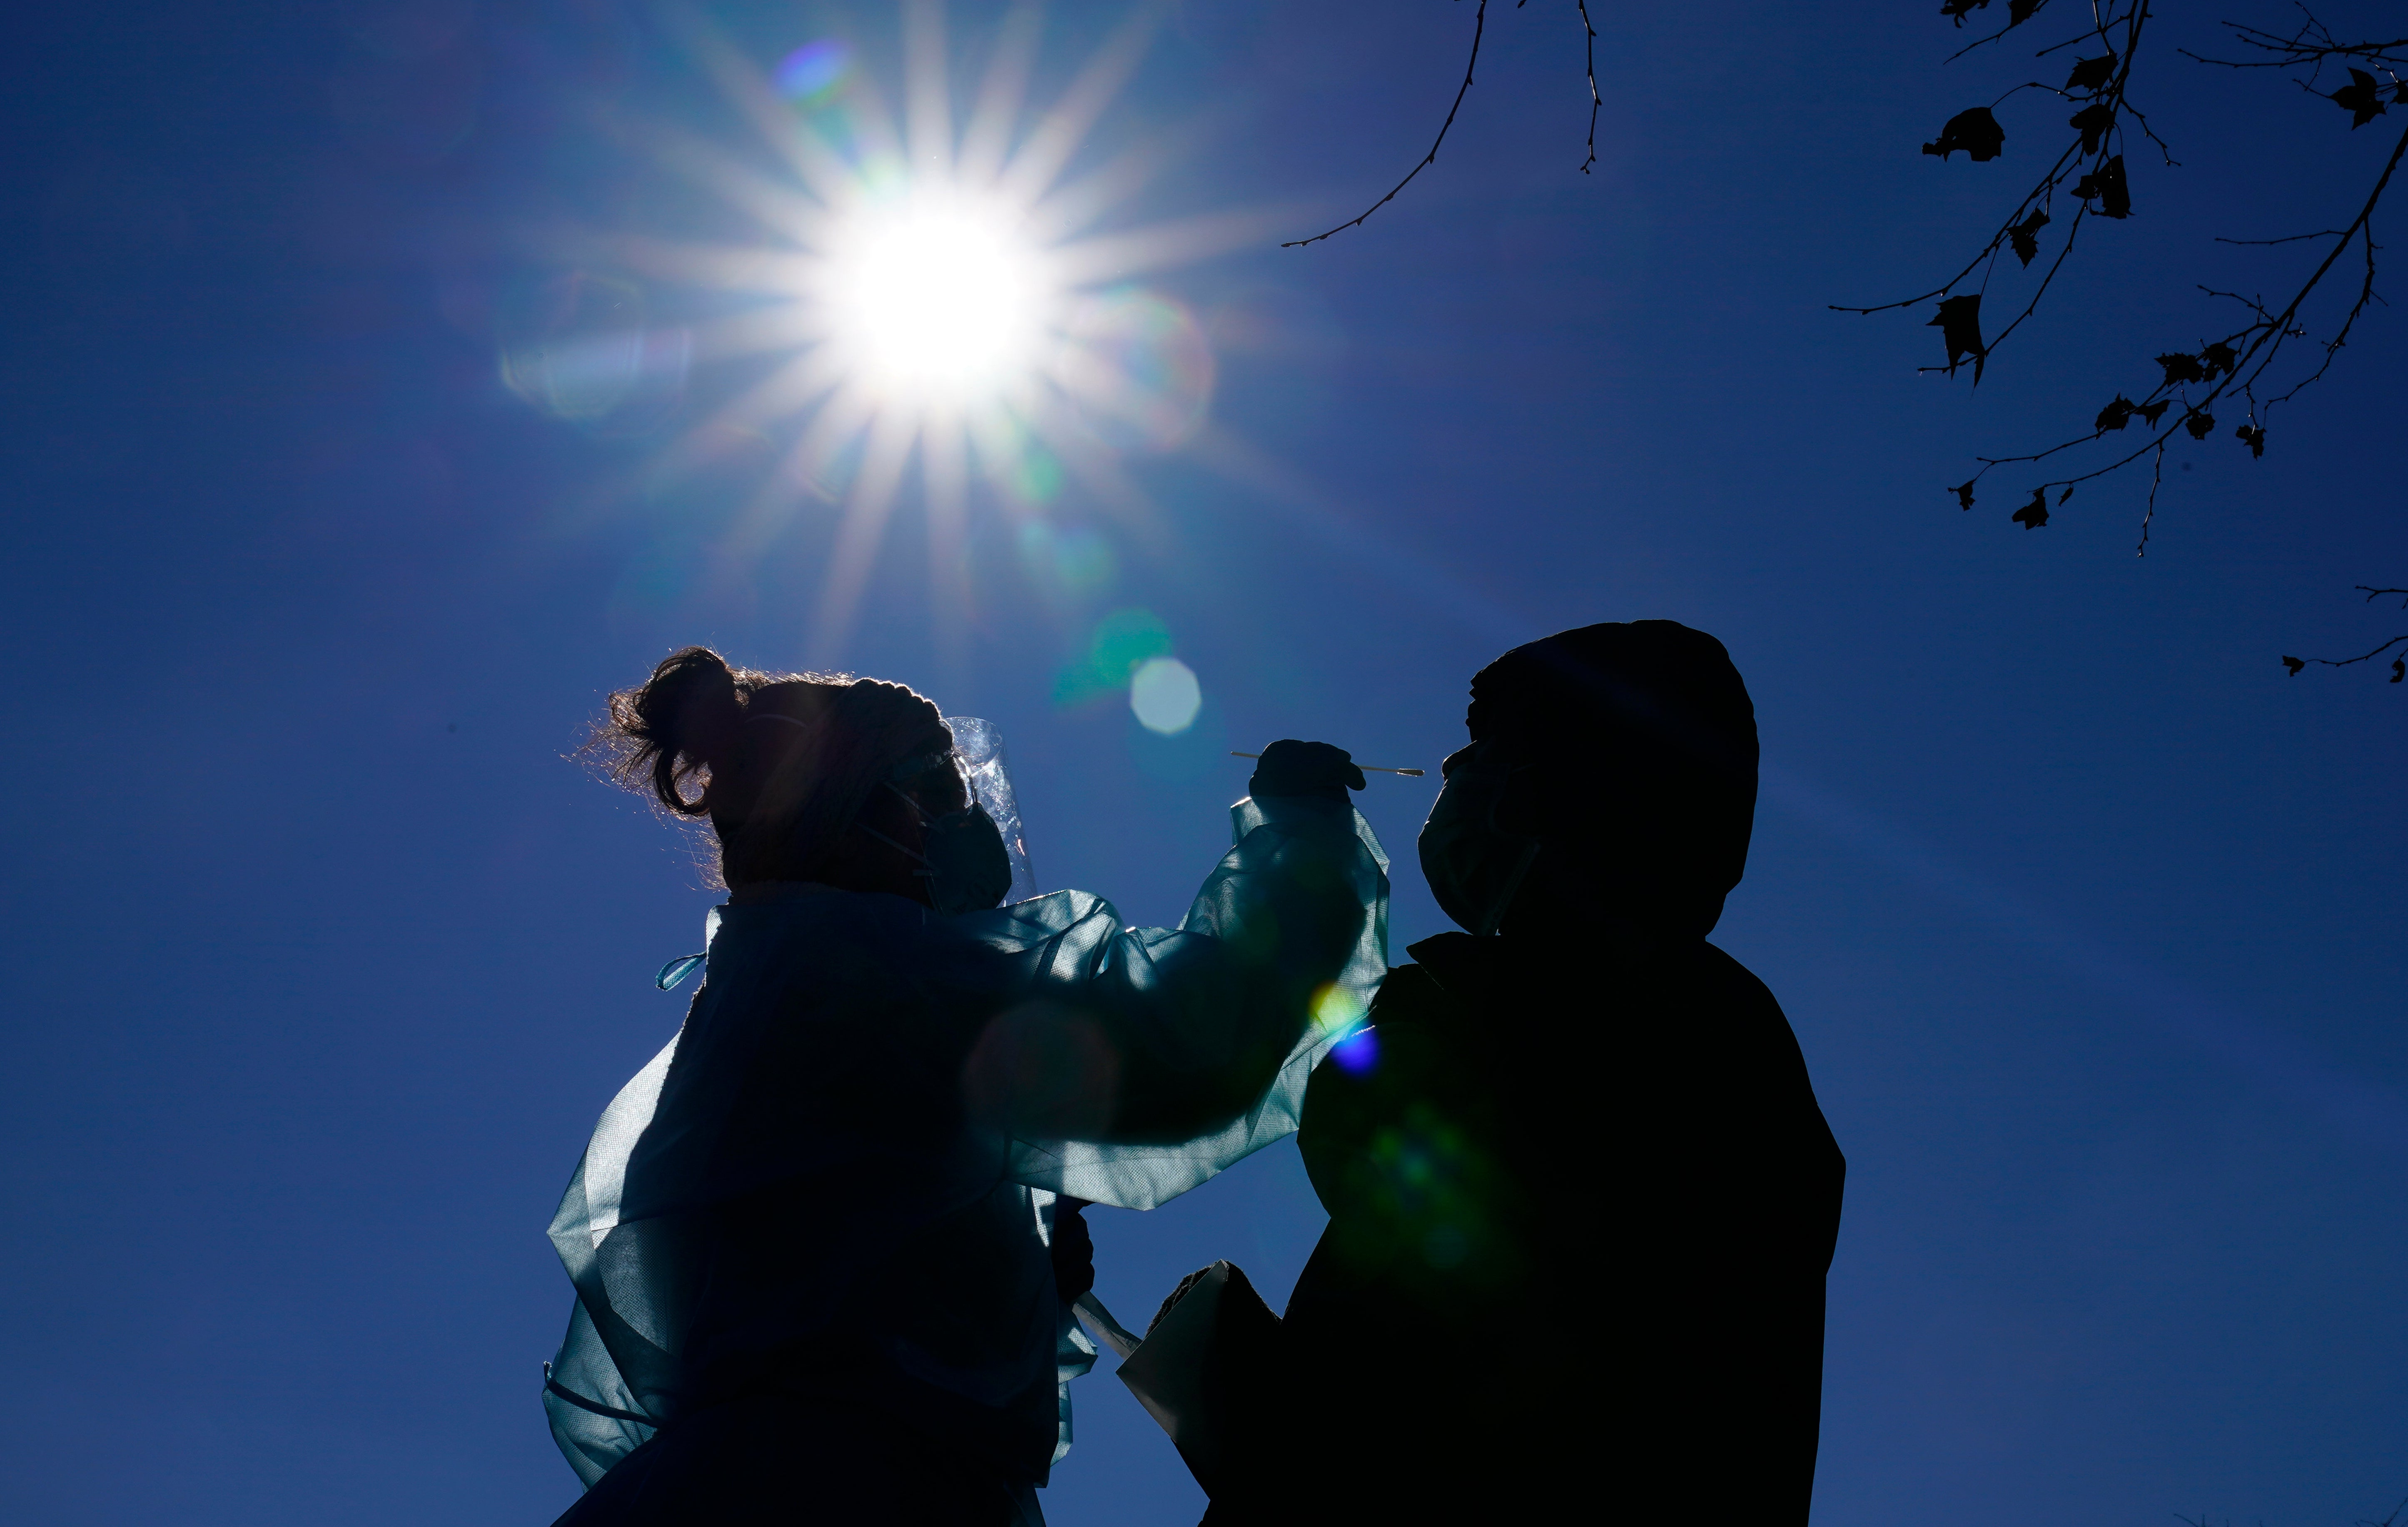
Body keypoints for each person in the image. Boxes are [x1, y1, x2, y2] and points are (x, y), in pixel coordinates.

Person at [536, 647, 1388, 1527]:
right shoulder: (868, 973)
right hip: (838, 1488)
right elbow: (1193, 1044)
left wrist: (1009, 1271)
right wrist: (1302, 834)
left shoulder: (781, 973)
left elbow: (824, 1256)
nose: (969, 823)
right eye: (941, 796)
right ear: (851, 808)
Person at [1199, 620, 1845, 1525]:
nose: (1456, 776)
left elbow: (1375, 1142)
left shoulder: (1628, 1019)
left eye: (1488, 755)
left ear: (1575, 787)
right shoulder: (1700, 1017)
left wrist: (1303, 853)